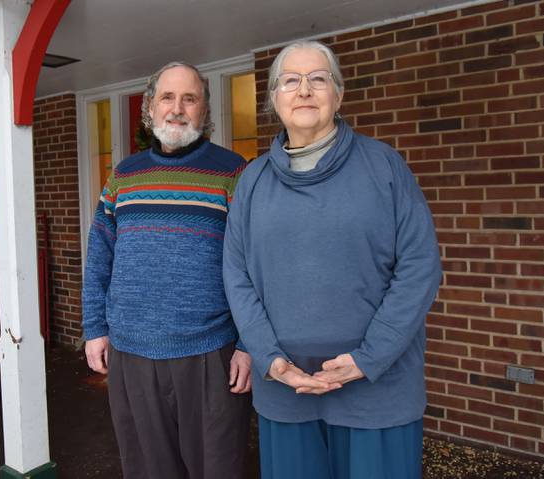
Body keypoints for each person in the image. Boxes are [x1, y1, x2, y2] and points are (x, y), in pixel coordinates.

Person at [223, 41, 441, 479]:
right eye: (290, 80)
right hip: (286, 392)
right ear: (274, 99)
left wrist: (368, 359)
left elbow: (420, 266)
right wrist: (271, 360)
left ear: (337, 95)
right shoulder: (252, 181)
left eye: (318, 78)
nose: (304, 90)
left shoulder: (384, 166)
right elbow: (237, 273)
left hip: (377, 392)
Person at [82, 61, 252, 479]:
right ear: (150, 108)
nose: (177, 108)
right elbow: (99, 255)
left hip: (211, 353)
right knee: (146, 469)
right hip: (131, 351)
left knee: (218, 469)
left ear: (204, 109)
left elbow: (256, 263)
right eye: (167, 98)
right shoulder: (123, 176)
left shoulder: (233, 172)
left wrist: (249, 344)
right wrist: (94, 328)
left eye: (190, 98)